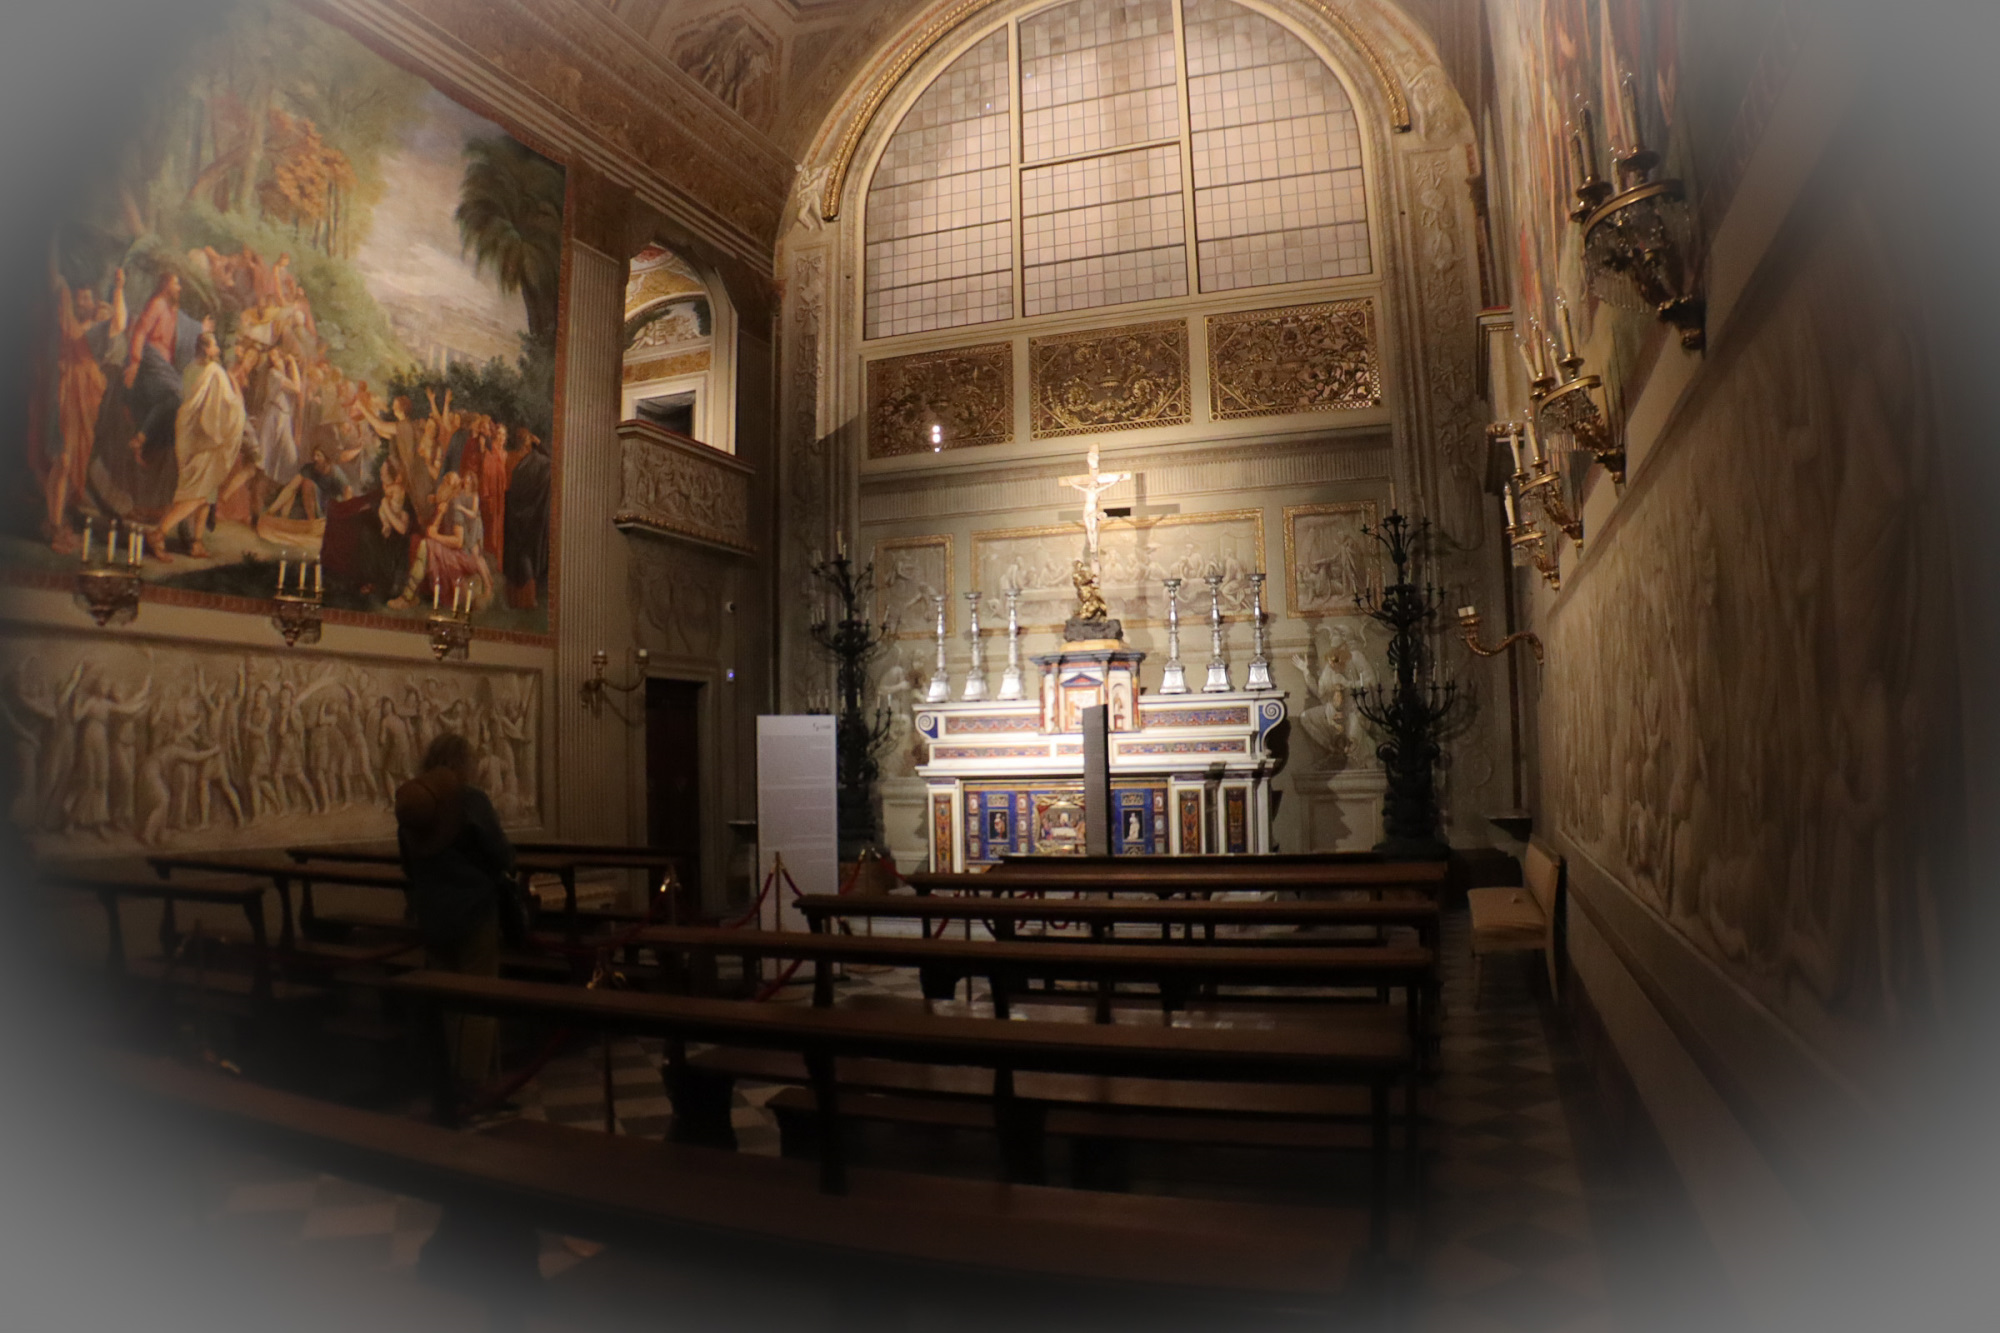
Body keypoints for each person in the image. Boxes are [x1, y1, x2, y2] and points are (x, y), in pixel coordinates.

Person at [395, 733, 515, 1103]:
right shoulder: (469, 800)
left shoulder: (416, 803)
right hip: (474, 907)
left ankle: (446, 1077)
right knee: (480, 995)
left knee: (446, 996)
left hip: (432, 911)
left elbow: (409, 864)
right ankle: (472, 1082)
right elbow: (499, 852)